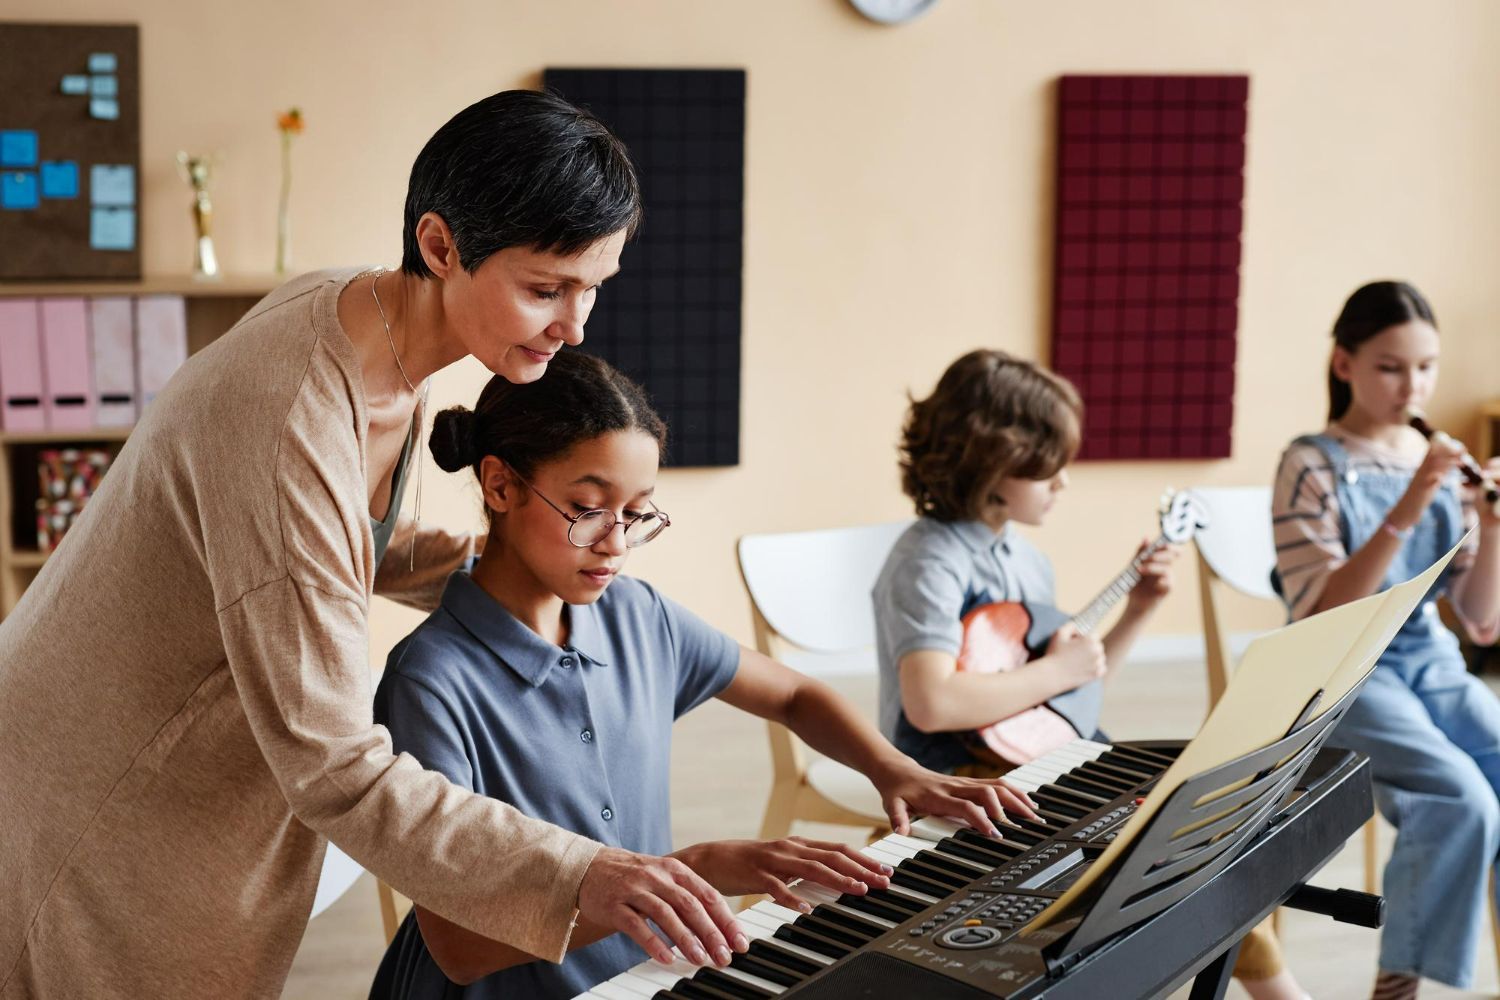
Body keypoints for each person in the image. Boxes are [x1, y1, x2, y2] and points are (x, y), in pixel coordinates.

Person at [0, 90, 739, 999]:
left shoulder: (374, 328)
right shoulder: (292, 409)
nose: (575, 326)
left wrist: (503, 567)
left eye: (593, 288)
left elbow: (324, 538)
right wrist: (584, 872)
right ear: (440, 246)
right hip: (109, 796)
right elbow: (336, 766)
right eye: (546, 288)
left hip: (162, 763)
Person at [366, 350, 1035, 998]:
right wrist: (688, 872)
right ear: (500, 484)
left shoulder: (637, 616)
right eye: (589, 509)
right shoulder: (430, 681)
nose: (617, 543)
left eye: (636, 513)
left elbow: (796, 693)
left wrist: (896, 771)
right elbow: (459, 951)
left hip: (645, 971)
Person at [874, 348, 1307, 1000]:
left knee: (1205, 837)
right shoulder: (930, 561)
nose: (1063, 482)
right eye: (1051, 464)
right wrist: (1056, 671)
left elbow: (1067, 697)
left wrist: (1139, 609)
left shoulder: (1024, 560)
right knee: (1166, 864)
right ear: (996, 460)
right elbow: (932, 703)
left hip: (1049, 761)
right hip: (961, 779)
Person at [1272, 280, 1500, 1000]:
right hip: (1338, 664)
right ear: (1344, 364)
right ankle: (1395, 989)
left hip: (1426, 654)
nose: (1414, 385)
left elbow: (1481, 620)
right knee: (1461, 796)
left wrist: (1491, 527)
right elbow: (1324, 608)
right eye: (1391, 366)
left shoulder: (1439, 462)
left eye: (1426, 367)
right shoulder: (1309, 462)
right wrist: (1414, 498)